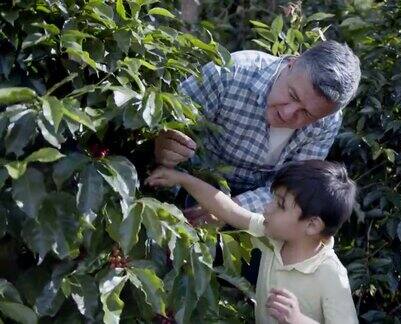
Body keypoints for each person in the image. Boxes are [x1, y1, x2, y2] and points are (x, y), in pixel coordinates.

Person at [154, 40, 361, 218]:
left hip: (262, 207)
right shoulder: (229, 73)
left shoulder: (328, 121)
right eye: (292, 95)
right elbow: (166, 121)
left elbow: (292, 187)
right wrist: (164, 142)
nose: (288, 114)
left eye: (307, 114)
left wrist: (228, 212)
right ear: (292, 63)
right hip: (192, 181)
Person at [145, 160, 359, 324]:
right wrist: (183, 179)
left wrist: (298, 320)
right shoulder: (273, 236)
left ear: (312, 225)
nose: (267, 208)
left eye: (280, 204)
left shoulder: (330, 274)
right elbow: (228, 210)